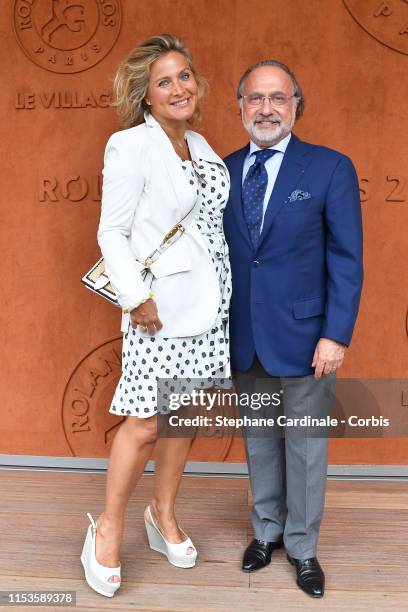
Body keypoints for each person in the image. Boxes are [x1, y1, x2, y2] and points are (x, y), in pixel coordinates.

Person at [81, 34, 231, 598]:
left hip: (213, 307)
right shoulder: (129, 145)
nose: (178, 88)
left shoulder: (202, 144)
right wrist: (134, 296)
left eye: (185, 76)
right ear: (145, 94)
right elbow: (111, 231)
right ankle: (110, 527)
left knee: (186, 415)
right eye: (164, 81)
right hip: (158, 311)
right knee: (146, 421)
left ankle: (161, 514)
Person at [223, 60, 363, 598]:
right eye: (255, 98)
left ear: (296, 106)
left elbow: (347, 259)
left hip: (309, 338)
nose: (266, 109)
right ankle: (267, 533)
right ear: (240, 108)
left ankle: (303, 548)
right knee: (260, 441)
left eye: (277, 98)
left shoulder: (329, 168)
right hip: (246, 335)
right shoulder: (223, 169)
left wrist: (336, 334)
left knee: (304, 445)